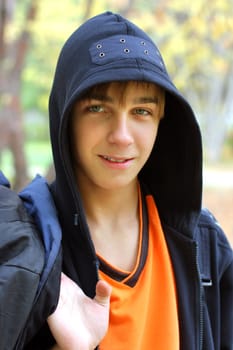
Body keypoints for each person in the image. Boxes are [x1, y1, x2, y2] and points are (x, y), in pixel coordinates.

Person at [16, 11, 233, 350]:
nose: (121, 136)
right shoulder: (25, 253)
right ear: (66, 117)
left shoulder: (203, 244)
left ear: (162, 120)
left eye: (141, 112)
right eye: (98, 109)